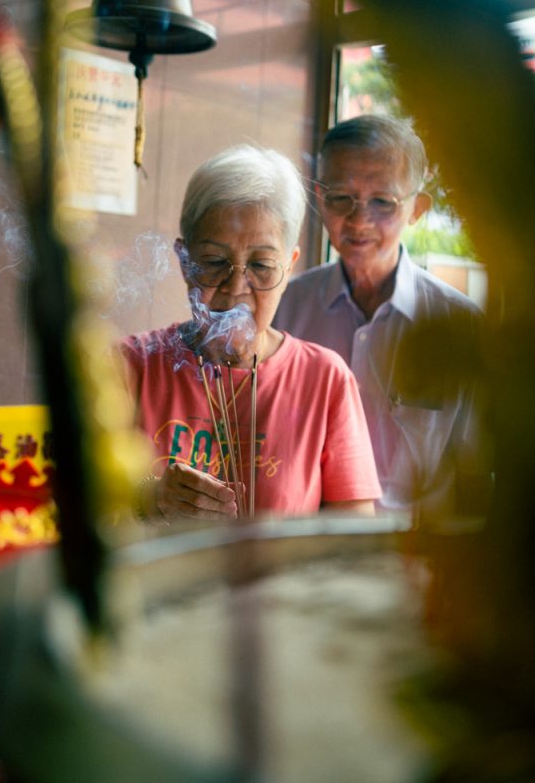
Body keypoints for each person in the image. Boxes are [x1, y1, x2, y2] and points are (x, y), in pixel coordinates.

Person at [120, 143, 381, 523]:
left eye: (260, 264)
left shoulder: (324, 379)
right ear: (184, 261)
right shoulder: (131, 366)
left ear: (289, 267)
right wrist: (149, 497)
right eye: (213, 262)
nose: (235, 286)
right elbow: (68, 507)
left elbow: (353, 540)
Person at [273, 114, 487, 521]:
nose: (358, 220)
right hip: (305, 555)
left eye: (382, 202)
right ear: (320, 198)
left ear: (417, 209)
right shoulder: (284, 308)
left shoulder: (460, 329)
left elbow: (474, 478)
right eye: (341, 198)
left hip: (415, 562)